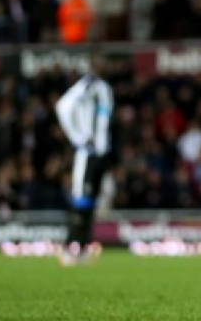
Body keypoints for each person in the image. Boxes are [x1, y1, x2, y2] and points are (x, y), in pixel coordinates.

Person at [54, 58, 114, 265]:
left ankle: (84, 248)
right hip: (86, 153)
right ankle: (69, 248)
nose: (102, 66)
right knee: (81, 201)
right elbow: (63, 106)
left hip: (101, 154)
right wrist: (77, 137)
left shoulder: (104, 88)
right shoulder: (87, 85)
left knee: (90, 203)